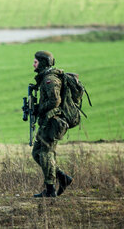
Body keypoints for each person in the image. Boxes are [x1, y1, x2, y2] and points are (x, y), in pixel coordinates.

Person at [31, 51, 73, 197]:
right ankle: (62, 178)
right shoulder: (45, 78)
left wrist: (39, 109)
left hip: (53, 122)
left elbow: (55, 101)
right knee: (37, 153)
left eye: (35, 61)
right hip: (48, 122)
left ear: (42, 62)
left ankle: (50, 190)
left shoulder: (50, 79)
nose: (33, 64)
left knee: (46, 153)